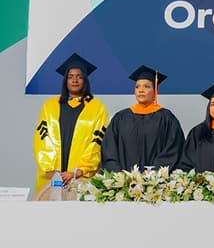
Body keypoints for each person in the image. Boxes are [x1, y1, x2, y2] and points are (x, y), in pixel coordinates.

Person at [33, 53, 109, 193]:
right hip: (51, 175)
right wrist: (50, 169)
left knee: (79, 205)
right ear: (65, 80)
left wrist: (80, 170)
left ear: (85, 80)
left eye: (79, 76)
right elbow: (42, 138)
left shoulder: (97, 108)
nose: (75, 80)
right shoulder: (49, 106)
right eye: (70, 76)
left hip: (80, 176)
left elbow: (97, 142)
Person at [101, 66, 185, 171]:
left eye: (146, 86)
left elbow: (174, 148)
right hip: (125, 179)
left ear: (155, 91)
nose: (141, 90)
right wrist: (119, 173)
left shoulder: (166, 118)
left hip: (156, 179)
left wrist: (154, 170)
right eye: (137, 87)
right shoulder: (121, 118)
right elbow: (109, 149)